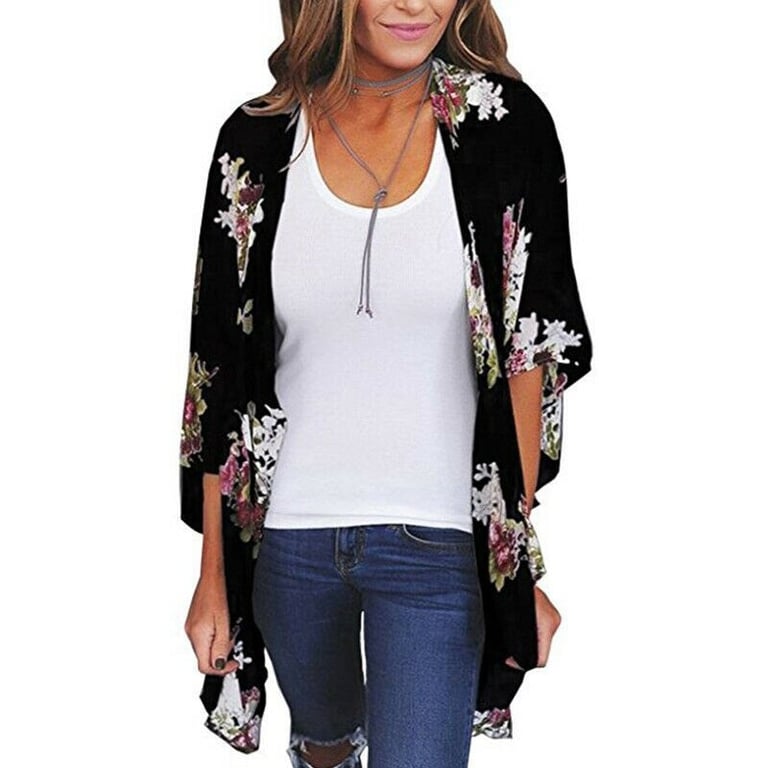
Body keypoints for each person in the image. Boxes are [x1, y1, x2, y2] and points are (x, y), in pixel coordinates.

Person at [179, 1, 593, 767]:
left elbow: (531, 352)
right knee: (326, 741)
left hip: (438, 543)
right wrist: (213, 579)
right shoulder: (257, 140)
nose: (415, 4)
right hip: (288, 539)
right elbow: (218, 377)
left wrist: (515, 562)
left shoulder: (503, 126)